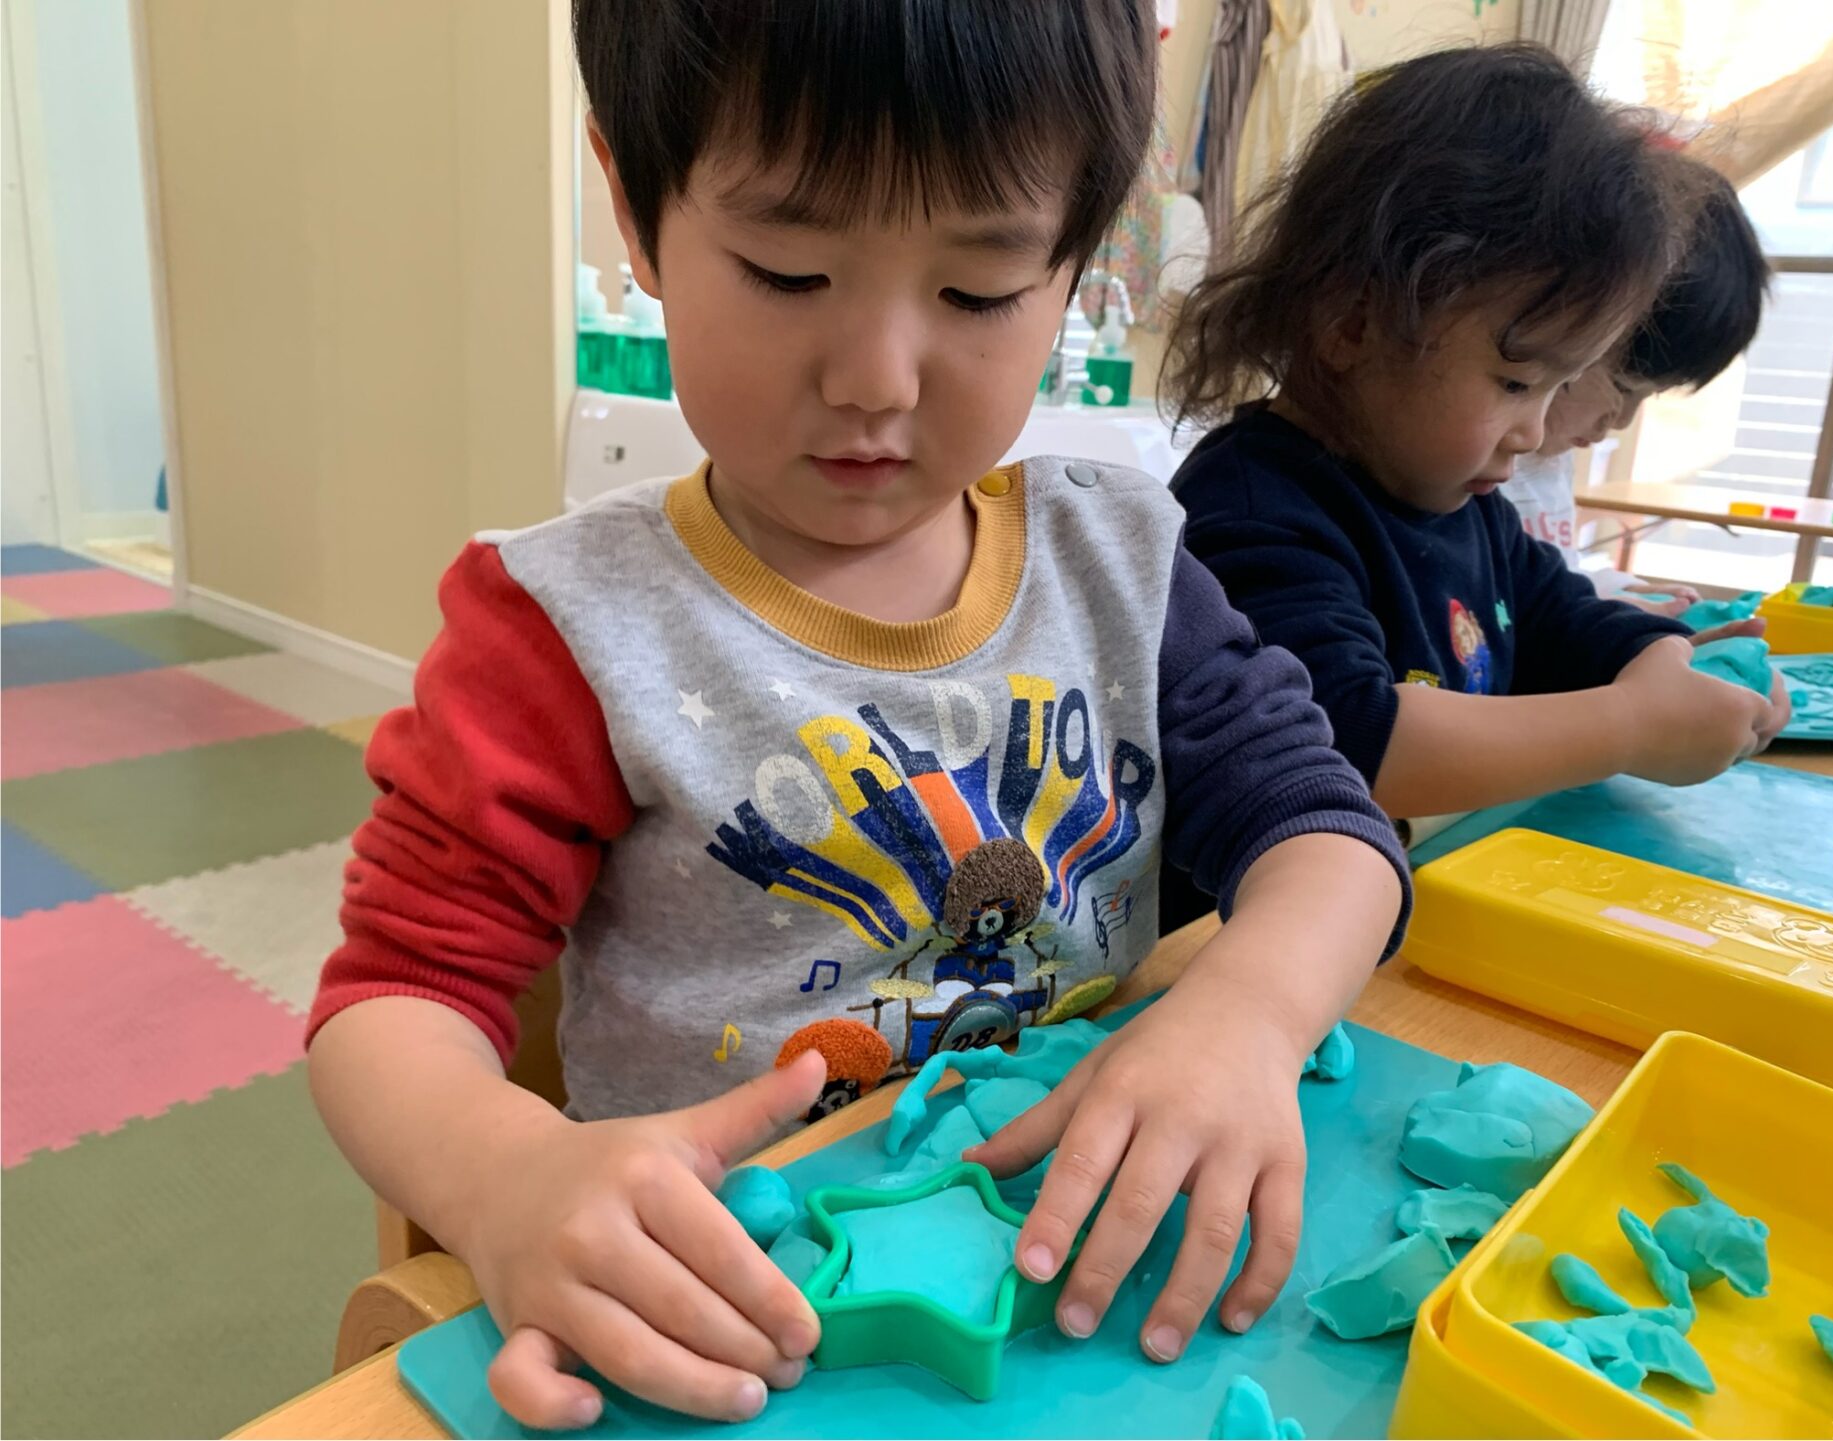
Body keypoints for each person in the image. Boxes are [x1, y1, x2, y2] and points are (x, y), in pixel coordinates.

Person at [304, 2, 1409, 1430]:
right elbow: (392, 1000)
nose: (877, 379)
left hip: (1069, 1271)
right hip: (738, 1314)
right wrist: (501, 1173)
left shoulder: (1123, 566)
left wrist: (1246, 1014)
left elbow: (1332, 832)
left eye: (979, 290)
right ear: (637, 211)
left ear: (1075, 262)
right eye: (789, 271)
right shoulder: (571, 629)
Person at [1156, 44, 1792, 851]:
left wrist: (1672, 661)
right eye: (1517, 382)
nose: (1536, 432)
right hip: (1262, 911)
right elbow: (1350, 740)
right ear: (1353, 323)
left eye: (1563, 386)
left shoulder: (1463, 503)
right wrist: (1631, 723)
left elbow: (1563, 620)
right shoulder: (1250, 508)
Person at [1504, 164, 1771, 617]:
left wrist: (1618, 588)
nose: (1621, 422)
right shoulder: (1481, 461)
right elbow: (1481, 610)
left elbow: (1555, 574)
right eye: (1622, 387)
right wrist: (1594, 614)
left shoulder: (1550, 460)